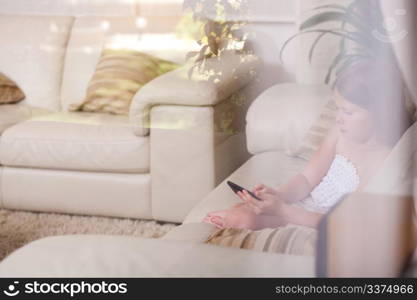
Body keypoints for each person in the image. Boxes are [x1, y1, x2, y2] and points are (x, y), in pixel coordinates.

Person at [203, 59, 411, 230]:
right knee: (247, 210)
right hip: (300, 208)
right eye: (337, 108)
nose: (338, 118)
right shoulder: (339, 133)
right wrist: (278, 196)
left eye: (347, 111)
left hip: (323, 223)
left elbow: (348, 224)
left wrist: (283, 211)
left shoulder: (385, 160)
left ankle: (236, 221)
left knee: (243, 219)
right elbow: (306, 179)